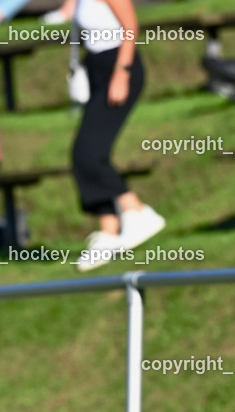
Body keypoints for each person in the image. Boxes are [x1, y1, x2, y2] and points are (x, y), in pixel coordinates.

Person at [72, 0, 164, 271]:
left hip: (118, 66)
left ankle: (136, 210)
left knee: (89, 153)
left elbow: (130, 25)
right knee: (83, 154)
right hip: (97, 68)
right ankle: (109, 230)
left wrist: (121, 73)